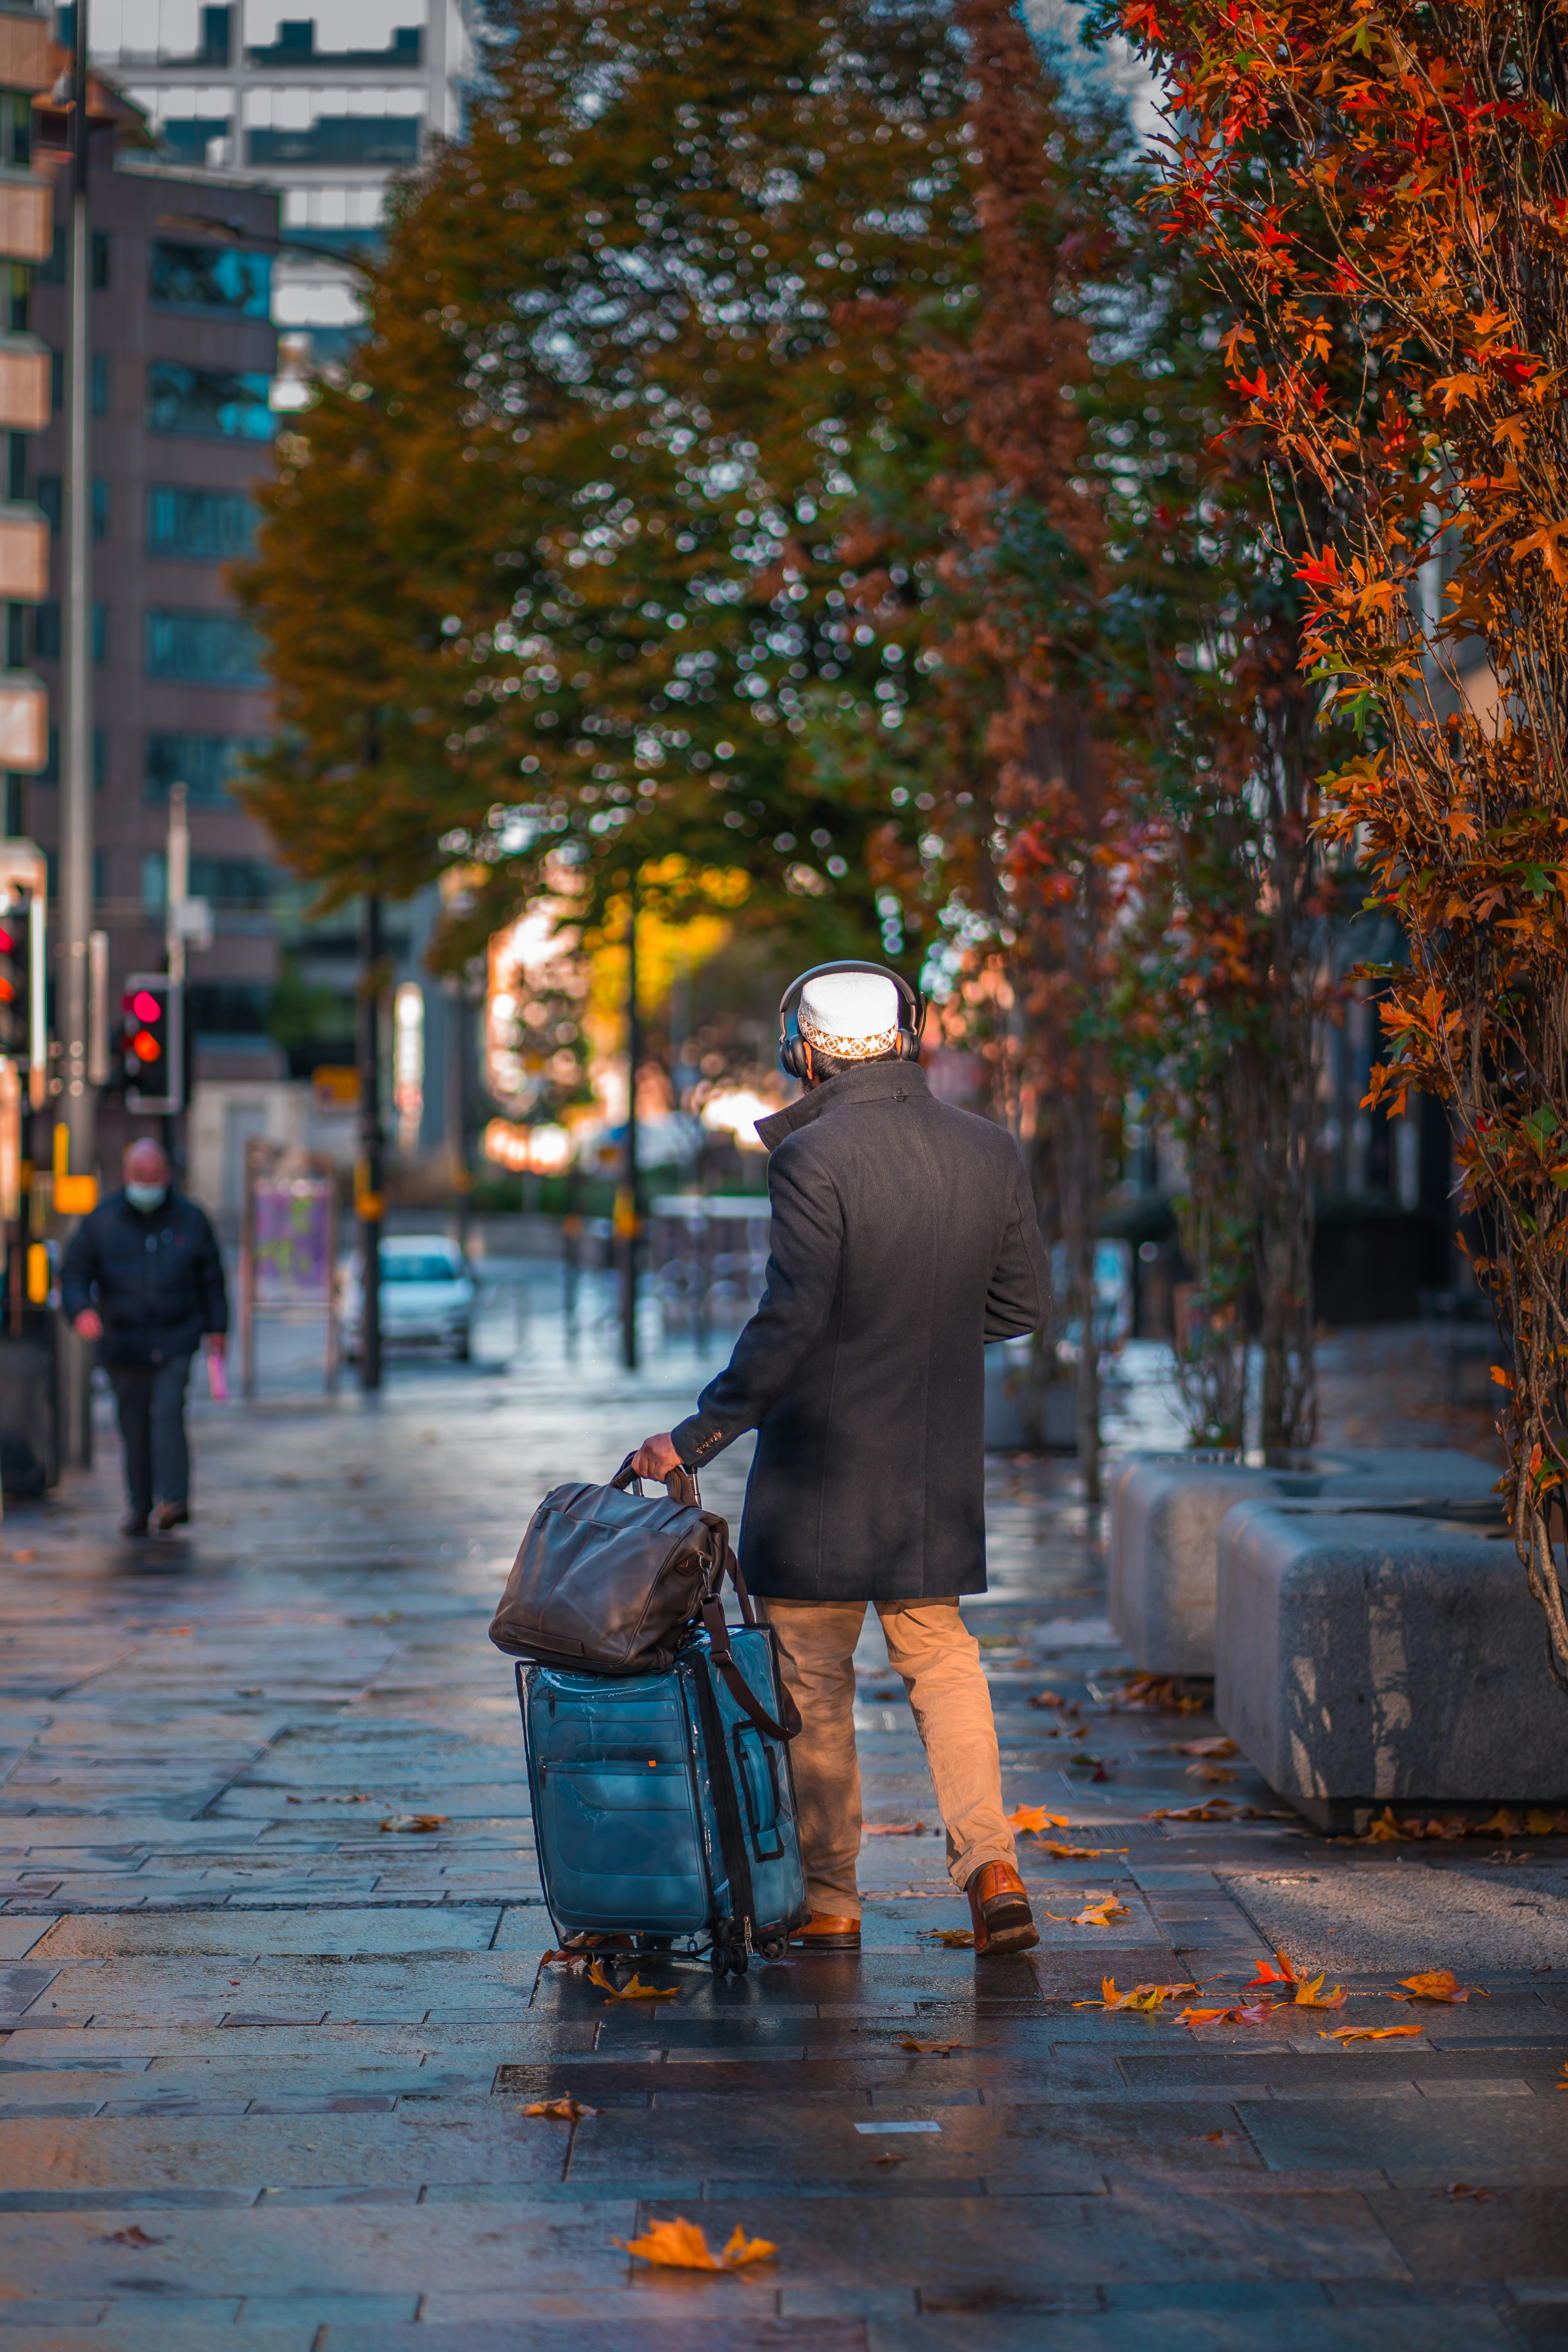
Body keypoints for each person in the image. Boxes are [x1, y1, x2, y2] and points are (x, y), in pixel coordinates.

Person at [633, 962, 1052, 1957]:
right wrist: (928, 1336)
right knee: (943, 1664)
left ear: (805, 1050)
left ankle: (831, 1899)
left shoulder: (811, 1156)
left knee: (813, 1682)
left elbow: (790, 1322)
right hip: (931, 1468)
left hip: (822, 1469)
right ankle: (991, 1865)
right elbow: (1021, 1307)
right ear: (908, 1032)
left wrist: (693, 1436)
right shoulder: (991, 1150)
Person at [61, 1138, 229, 1537]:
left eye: (154, 1176)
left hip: (176, 1335)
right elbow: (74, 1274)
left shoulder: (191, 1219)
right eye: (141, 1176)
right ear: (127, 1175)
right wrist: (81, 1309)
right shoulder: (102, 1221)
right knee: (133, 1423)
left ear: (167, 1176)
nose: (148, 1183)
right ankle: (139, 1505)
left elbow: (212, 1280)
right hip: (123, 1340)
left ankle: (173, 1500)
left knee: (169, 1411)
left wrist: (217, 1329)